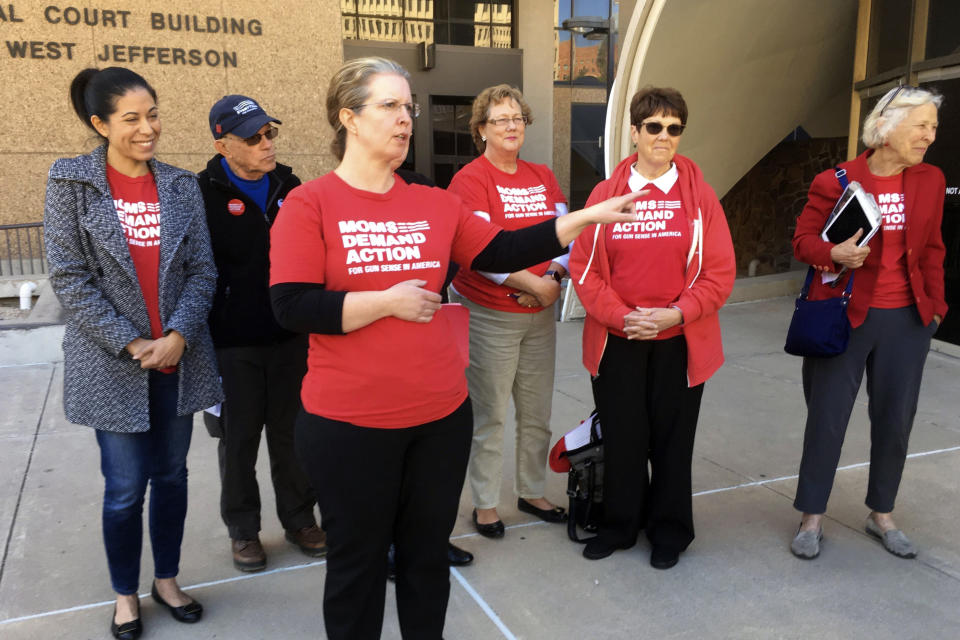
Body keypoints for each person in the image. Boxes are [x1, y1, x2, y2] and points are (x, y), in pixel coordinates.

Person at [268, 56, 644, 640]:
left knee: (426, 563)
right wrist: (384, 302)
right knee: (358, 569)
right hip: (349, 425)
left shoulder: (433, 202)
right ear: (349, 117)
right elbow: (290, 305)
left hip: (439, 419)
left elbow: (502, 251)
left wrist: (589, 216)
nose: (405, 118)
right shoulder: (309, 203)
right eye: (389, 106)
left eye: (408, 107)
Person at [44, 67, 222, 640]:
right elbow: (69, 276)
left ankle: (165, 580)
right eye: (131, 119)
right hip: (112, 364)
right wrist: (130, 340)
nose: (148, 128)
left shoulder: (178, 184)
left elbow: (202, 270)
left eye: (153, 114)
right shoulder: (70, 181)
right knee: (124, 489)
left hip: (177, 357)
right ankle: (126, 594)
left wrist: (178, 335)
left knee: (173, 476)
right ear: (100, 124)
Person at [570, 86, 735, 569]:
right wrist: (622, 316)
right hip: (616, 340)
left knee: (671, 442)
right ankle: (621, 526)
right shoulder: (605, 195)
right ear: (635, 131)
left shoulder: (700, 198)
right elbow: (585, 269)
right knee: (623, 439)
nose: (665, 136)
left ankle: (669, 530)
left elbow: (719, 273)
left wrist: (676, 313)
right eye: (654, 127)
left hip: (679, 341)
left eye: (674, 128)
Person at [789, 85, 946, 561]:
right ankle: (811, 517)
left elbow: (934, 248)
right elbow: (801, 240)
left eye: (933, 127)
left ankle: (882, 513)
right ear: (886, 126)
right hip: (845, 318)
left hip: (907, 321)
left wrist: (936, 308)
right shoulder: (835, 180)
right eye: (920, 125)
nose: (929, 136)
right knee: (827, 420)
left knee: (895, 420)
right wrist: (832, 252)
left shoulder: (931, 180)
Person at [198, 94, 325, 572]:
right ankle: (243, 531)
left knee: (293, 436)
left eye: (270, 133)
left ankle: (299, 519)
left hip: (292, 336)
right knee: (240, 440)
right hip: (234, 343)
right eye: (253, 137)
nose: (266, 143)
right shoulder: (201, 193)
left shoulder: (292, 187)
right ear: (223, 143)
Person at [447, 84, 569, 538]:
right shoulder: (470, 180)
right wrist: (532, 283)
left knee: (536, 410)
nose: (512, 126)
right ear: (482, 130)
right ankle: (485, 503)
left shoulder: (542, 176)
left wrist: (552, 280)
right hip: (490, 314)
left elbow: (565, 235)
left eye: (517, 117)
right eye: (500, 119)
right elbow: (475, 249)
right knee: (491, 413)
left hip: (540, 313)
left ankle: (532, 490)